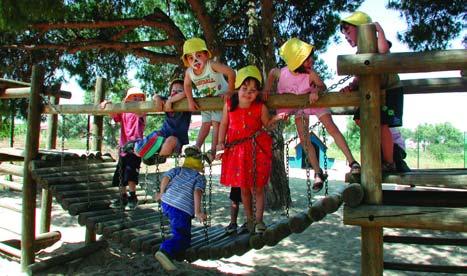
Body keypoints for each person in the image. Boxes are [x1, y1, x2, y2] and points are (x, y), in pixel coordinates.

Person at [264, 38, 360, 193]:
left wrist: (316, 90)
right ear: (297, 61)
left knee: (331, 128)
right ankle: (318, 172)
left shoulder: (310, 74)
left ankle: (352, 162)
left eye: (311, 57)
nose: (312, 61)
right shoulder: (281, 73)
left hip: (314, 103)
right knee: (304, 140)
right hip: (298, 107)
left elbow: (323, 86)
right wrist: (267, 89)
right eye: (307, 59)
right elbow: (271, 74)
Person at [217, 65, 286, 234]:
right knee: (244, 189)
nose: (249, 92)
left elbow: (266, 124)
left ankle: (259, 220)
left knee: (258, 188)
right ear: (237, 88)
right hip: (236, 151)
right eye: (244, 88)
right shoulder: (229, 105)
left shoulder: (260, 107)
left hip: (256, 150)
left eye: (254, 90)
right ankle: (249, 220)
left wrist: (276, 118)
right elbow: (224, 124)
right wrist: (219, 142)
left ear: (258, 93)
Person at [340, 11, 404, 172]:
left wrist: (379, 31)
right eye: (344, 34)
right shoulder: (359, 54)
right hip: (372, 95)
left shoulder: (376, 43)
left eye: (348, 31)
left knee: (383, 124)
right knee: (361, 118)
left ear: (362, 29)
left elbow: (383, 51)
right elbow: (359, 77)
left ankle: (389, 161)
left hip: (389, 91)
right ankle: (382, 153)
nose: (346, 36)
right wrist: (352, 86)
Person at [182, 37, 236, 161]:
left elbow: (231, 72)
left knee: (216, 123)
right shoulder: (189, 72)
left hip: (220, 101)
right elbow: (187, 85)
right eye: (191, 58)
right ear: (187, 61)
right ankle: (197, 146)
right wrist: (190, 100)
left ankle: (213, 151)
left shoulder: (211, 65)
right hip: (206, 101)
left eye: (199, 55)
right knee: (205, 123)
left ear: (206, 55)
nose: (195, 60)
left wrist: (230, 91)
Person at [153, 146, 207, 271]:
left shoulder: (177, 170)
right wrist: (198, 211)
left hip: (167, 203)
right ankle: (165, 251)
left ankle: (171, 253)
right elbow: (197, 192)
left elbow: (166, 178)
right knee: (183, 237)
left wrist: (161, 193)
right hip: (181, 209)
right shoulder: (199, 178)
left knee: (177, 226)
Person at [100, 87, 146, 209]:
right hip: (123, 148)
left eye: (139, 98)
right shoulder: (124, 112)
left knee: (131, 174)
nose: (136, 99)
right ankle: (122, 196)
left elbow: (139, 113)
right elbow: (114, 115)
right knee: (120, 174)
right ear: (127, 99)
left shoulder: (142, 111)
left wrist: (133, 105)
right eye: (133, 97)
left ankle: (133, 197)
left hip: (135, 148)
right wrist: (108, 105)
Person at [132, 79, 192, 165]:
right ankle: (139, 148)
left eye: (180, 91)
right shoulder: (167, 100)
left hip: (176, 142)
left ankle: (159, 158)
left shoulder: (187, 101)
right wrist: (158, 99)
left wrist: (170, 101)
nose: (176, 92)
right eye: (173, 90)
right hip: (162, 138)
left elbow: (186, 93)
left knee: (170, 141)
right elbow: (156, 96)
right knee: (156, 134)